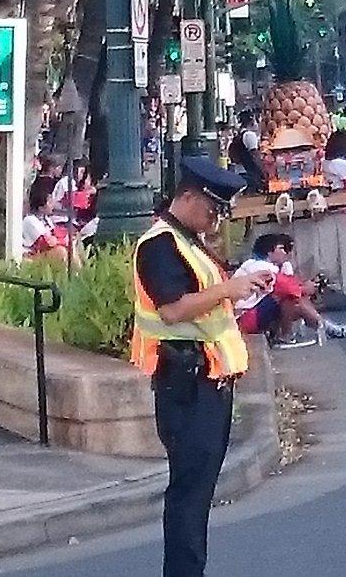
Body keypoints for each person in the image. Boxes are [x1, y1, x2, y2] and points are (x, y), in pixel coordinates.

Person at [131, 157, 274, 577]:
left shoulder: (188, 241)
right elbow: (173, 309)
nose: (214, 221)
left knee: (197, 492)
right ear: (187, 196)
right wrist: (228, 288)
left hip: (206, 380)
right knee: (189, 496)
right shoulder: (159, 245)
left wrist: (237, 289)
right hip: (186, 383)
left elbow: (206, 303)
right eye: (211, 210)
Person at [234, 233, 346, 345]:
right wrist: (306, 288)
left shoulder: (260, 264)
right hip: (244, 318)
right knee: (290, 298)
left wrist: (306, 287)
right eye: (283, 248)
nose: (287, 252)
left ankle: (328, 328)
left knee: (296, 299)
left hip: (250, 313)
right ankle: (285, 336)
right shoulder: (262, 267)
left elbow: (292, 285)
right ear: (270, 252)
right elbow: (288, 288)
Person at [20, 173, 71, 265]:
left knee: (73, 245)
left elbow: (56, 235)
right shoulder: (30, 220)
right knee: (61, 251)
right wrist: (61, 240)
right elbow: (45, 242)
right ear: (41, 207)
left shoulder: (46, 219)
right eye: (50, 202)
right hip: (31, 256)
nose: (53, 204)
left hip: (43, 252)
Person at [227, 110, 268, 191]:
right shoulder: (250, 135)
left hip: (240, 173)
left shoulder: (238, 136)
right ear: (252, 121)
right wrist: (263, 172)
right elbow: (255, 156)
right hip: (250, 175)